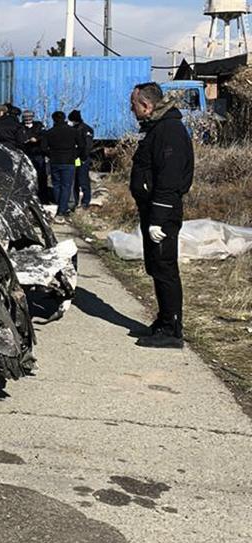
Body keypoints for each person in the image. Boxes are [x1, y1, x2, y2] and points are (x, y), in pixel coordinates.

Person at [129, 82, 193, 349]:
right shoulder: (158, 128)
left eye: (133, 105)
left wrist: (159, 217)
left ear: (146, 105)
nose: (131, 110)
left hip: (162, 213)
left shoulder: (169, 131)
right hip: (154, 209)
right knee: (156, 267)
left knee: (165, 267)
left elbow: (168, 179)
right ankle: (164, 319)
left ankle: (171, 328)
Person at [45, 111, 84, 223]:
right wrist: (75, 155)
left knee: (56, 185)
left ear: (53, 119)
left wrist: (51, 155)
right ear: (64, 118)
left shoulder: (49, 132)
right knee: (66, 186)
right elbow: (82, 145)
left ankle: (59, 206)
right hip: (69, 162)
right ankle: (62, 210)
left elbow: (43, 148)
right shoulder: (73, 131)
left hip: (55, 161)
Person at [69, 109, 95, 210]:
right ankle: (75, 201)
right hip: (75, 158)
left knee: (83, 180)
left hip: (82, 158)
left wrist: (83, 158)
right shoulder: (74, 129)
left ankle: (85, 202)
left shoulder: (86, 129)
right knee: (74, 180)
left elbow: (88, 146)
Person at [20, 110, 49, 202]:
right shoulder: (20, 127)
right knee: (27, 175)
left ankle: (43, 197)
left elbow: (44, 136)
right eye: (26, 119)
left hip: (38, 153)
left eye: (29, 118)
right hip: (27, 153)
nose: (28, 120)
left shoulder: (38, 126)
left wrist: (36, 139)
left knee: (41, 176)